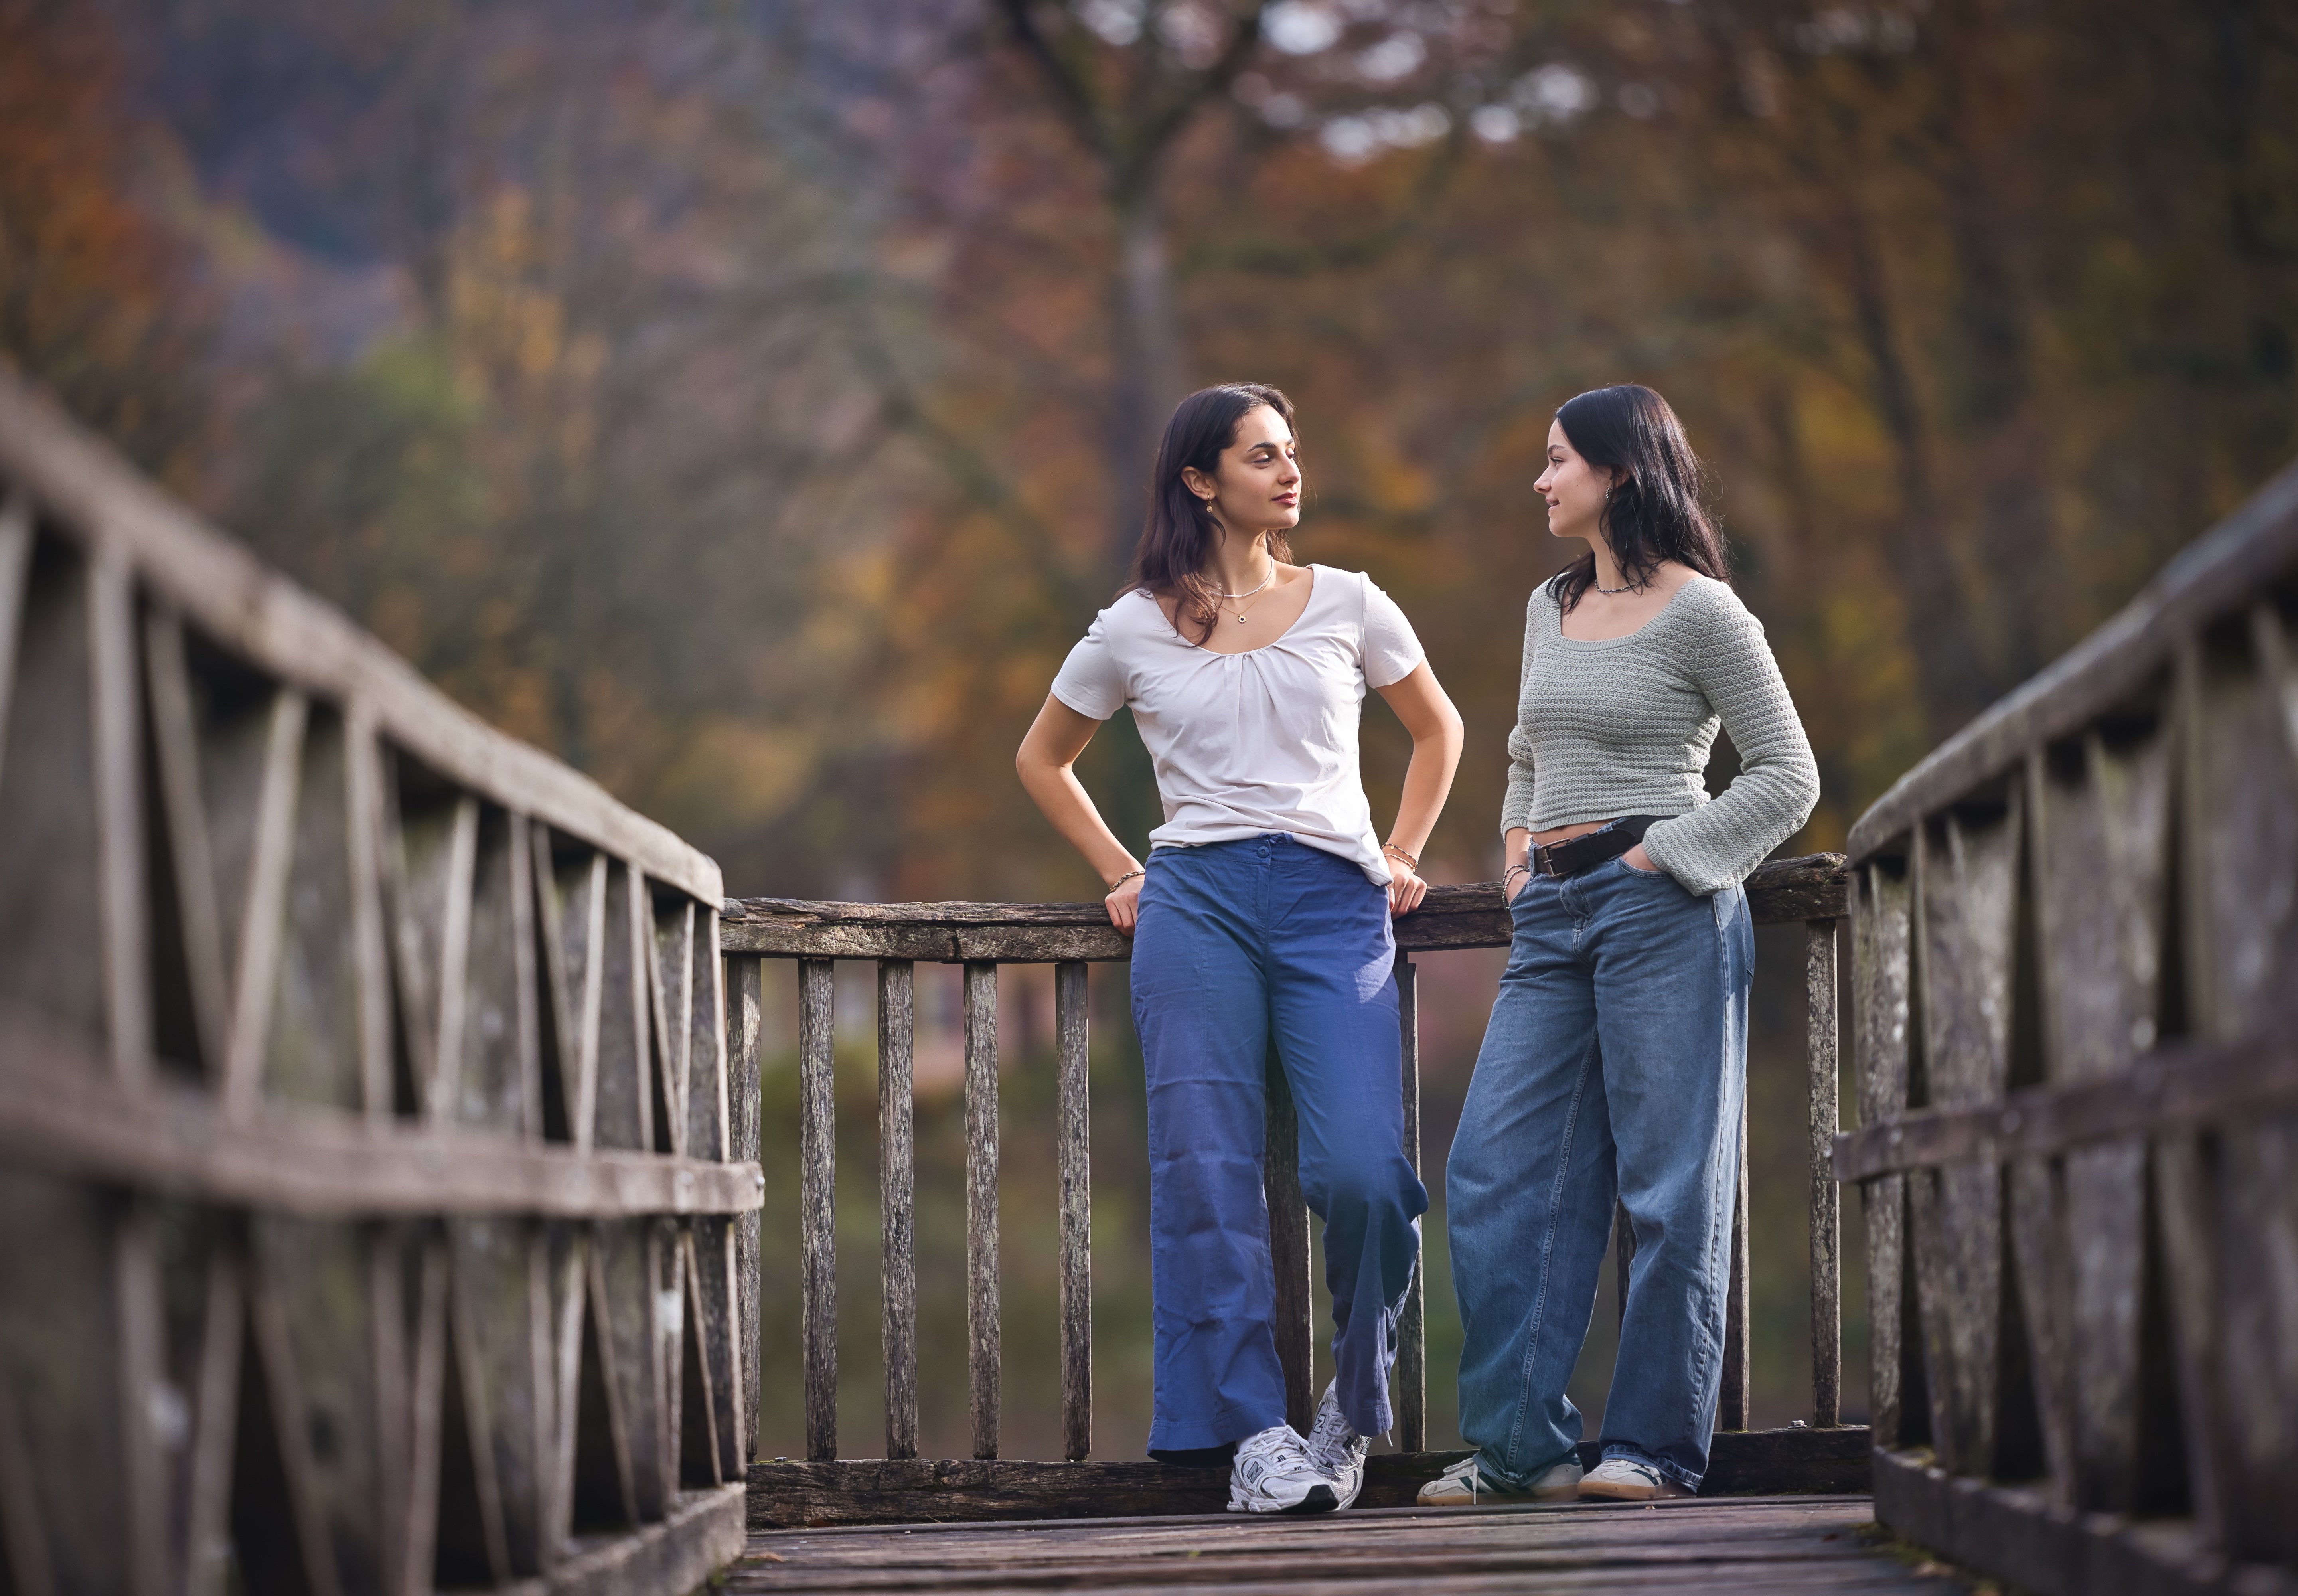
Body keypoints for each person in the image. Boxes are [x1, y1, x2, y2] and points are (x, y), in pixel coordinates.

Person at [1016, 383, 1464, 1514]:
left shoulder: (1352, 603)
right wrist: (1124, 870)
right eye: (1263, 455)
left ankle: (1351, 1413)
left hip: (1332, 902)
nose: (1291, 471)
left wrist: (1403, 848)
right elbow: (1042, 760)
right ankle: (1254, 1440)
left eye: (1293, 451)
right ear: (1201, 481)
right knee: (1205, 1173)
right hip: (1199, 905)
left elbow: (1436, 730)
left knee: (1365, 1175)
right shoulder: (1133, 626)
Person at [1422, 383, 1818, 1507]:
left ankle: (1650, 1449)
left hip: (1665, 910)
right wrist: (1514, 857)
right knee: (1496, 1172)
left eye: (1557, 462)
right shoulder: (1549, 606)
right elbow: (1521, 752)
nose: (1541, 481)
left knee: (1669, 1187)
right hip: (1549, 918)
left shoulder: (1708, 615)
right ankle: (1521, 1450)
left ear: (1621, 474)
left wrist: (1660, 860)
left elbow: (1788, 776)